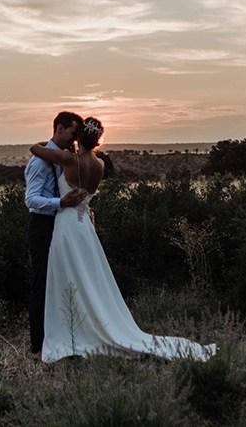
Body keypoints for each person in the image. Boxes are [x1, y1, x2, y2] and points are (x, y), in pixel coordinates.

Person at [29, 116, 217, 364]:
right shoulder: (99, 165)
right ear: (98, 140)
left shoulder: (68, 160)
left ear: (80, 138)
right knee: (88, 278)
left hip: (65, 225)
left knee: (66, 278)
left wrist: (55, 143)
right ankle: (89, 324)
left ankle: (68, 328)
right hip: (85, 226)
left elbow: (35, 148)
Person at [24, 111, 85, 360]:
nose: (73, 140)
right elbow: (31, 199)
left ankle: (61, 337)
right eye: (72, 133)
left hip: (61, 226)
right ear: (59, 129)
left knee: (61, 283)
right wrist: (60, 202)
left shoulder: (63, 158)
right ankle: (37, 346)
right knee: (41, 283)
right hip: (42, 226)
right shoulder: (40, 162)